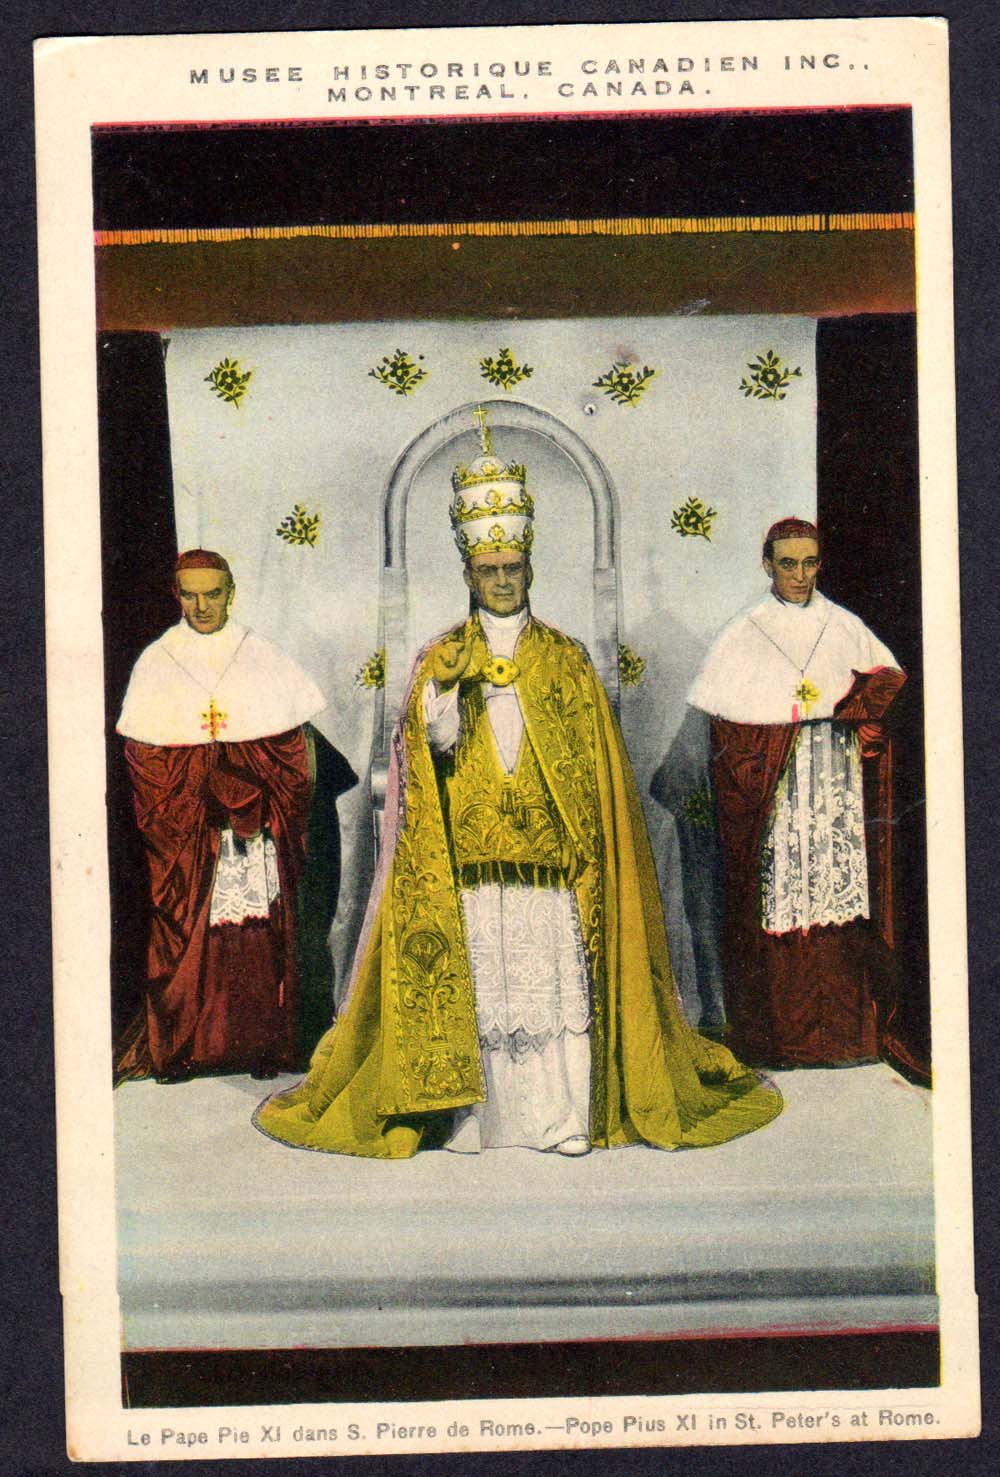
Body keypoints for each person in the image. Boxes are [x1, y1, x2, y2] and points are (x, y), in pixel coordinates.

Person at [255, 409, 782, 1157]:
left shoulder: (566, 658)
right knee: (482, 990)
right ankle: (474, 1118)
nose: (502, 581)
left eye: (512, 569)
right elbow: (421, 764)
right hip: (471, 866)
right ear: (468, 574)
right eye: (488, 571)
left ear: (528, 568)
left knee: (550, 991)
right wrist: (439, 707)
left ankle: (564, 1116)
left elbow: (595, 770)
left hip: (549, 867)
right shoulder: (438, 656)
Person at [688, 517, 906, 1068]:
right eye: (788, 564)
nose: (801, 576)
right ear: (768, 565)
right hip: (780, 787)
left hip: (831, 777)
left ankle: (843, 1038)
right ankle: (784, 1039)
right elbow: (728, 726)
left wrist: (854, 709)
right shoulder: (746, 629)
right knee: (784, 895)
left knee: (834, 893)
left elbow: (884, 679)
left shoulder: (843, 623)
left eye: (810, 563)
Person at [115, 549, 326, 1082]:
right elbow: (144, 759)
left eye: (213, 594)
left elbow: (291, 752)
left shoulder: (260, 653)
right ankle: (185, 1049)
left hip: (251, 831)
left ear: (231, 593)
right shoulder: (158, 660)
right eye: (190, 596)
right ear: (176, 596)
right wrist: (202, 778)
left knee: (255, 933)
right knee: (194, 930)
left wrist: (242, 776)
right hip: (192, 830)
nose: (202, 606)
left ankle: (261, 1047)